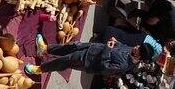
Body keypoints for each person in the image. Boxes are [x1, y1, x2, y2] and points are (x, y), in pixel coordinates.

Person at [24, 35, 154, 76]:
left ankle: (40, 69)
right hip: (93, 48)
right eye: (138, 45)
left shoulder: (125, 65)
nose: (136, 46)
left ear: (139, 56)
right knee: (71, 46)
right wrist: (116, 42)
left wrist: (108, 50)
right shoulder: (131, 49)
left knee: (66, 60)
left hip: (89, 61)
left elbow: (105, 69)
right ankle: (46, 48)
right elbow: (121, 46)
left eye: (139, 49)